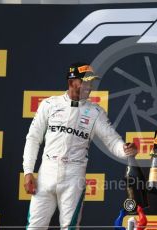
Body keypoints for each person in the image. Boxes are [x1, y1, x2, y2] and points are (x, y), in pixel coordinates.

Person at [22, 62, 137, 230]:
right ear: (72, 82)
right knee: (34, 227)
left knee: (70, 227)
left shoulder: (95, 112)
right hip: (46, 173)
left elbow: (112, 141)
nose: (90, 86)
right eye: (86, 82)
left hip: (74, 177)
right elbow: (33, 138)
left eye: (91, 82)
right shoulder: (49, 104)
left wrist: (125, 149)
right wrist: (28, 172)